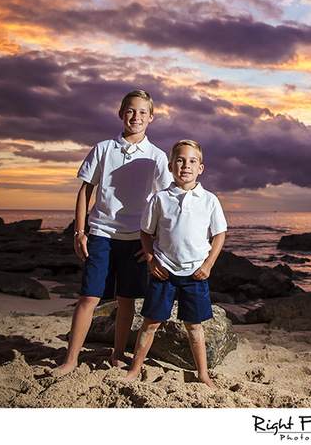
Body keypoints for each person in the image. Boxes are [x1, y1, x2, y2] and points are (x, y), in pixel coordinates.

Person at [53, 90, 171, 377]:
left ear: (151, 118)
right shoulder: (103, 148)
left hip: (135, 239)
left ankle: (117, 354)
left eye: (143, 112)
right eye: (130, 111)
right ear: (121, 114)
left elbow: (165, 199)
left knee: (127, 299)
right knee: (89, 298)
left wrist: (154, 243)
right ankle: (70, 360)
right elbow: (85, 191)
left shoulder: (156, 156)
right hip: (101, 234)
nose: (136, 117)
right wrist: (79, 232)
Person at [125, 139, 227, 388]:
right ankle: (134, 369)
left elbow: (219, 234)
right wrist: (151, 260)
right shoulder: (159, 199)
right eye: (180, 160)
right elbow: (146, 233)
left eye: (192, 161)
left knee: (194, 326)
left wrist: (209, 265)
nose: (186, 165)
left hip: (195, 274)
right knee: (150, 323)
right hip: (164, 271)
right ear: (171, 166)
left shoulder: (209, 199)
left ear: (200, 168)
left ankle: (202, 374)